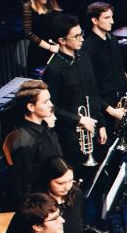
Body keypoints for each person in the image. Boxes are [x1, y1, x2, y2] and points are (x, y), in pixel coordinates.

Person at [42, 15, 105, 170]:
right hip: (71, 136)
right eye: (76, 36)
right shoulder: (53, 70)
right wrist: (79, 119)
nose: (82, 39)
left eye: (81, 33)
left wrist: (101, 124)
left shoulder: (84, 57)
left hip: (93, 128)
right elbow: (51, 108)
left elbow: (94, 93)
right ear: (62, 40)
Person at [9, 80, 64, 205]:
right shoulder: (26, 144)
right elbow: (24, 189)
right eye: (45, 102)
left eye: (50, 100)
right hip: (43, 202)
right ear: (31, 107)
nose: (51, 105)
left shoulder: (44, 127)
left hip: (53, 189)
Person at [81, 2, 127, 134]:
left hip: (120, 101)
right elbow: (89, 87)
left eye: (112, 17)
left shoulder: (112, 39)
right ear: (95, 20)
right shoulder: (87, 48)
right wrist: (109, 110)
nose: (112, 21)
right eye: (107, 17)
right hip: (104, 107)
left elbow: (120, 70)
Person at [37, 156, 86, 233]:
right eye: (61, 183)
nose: (67, 187)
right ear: (47, 180)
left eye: (70, 181)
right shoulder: (38, 201)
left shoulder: (76, 193)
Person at [21, 0, 63, 74]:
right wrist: (50, 47)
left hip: (57, 50)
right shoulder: (28, 6)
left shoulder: (53, 2)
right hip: (39, 53)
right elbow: (28, 33)